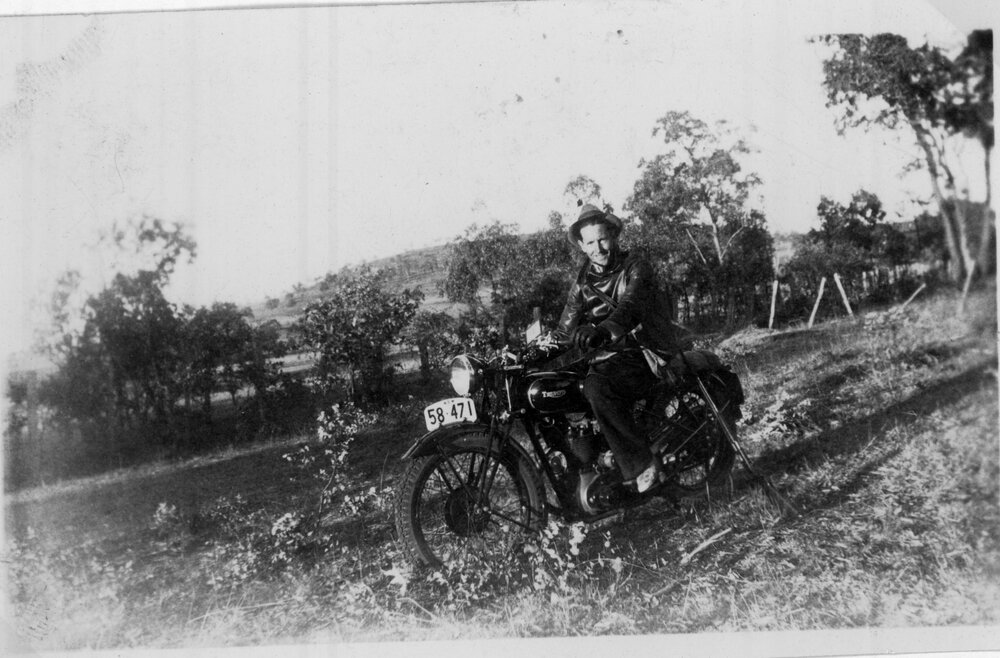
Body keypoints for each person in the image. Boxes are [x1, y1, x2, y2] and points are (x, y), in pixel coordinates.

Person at [552, 204, 690, 493]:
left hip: (647, 351)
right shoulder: (583, 281)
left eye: (602, 239)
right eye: (590, 242)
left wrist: (601, 330)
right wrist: (532, 351)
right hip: (612, 355)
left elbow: (630, 306)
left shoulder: (636, 266)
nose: (598, 248)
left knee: (597, 387)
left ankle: (642, 464)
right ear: (581, 245)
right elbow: (564, 329)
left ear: (612, 235)